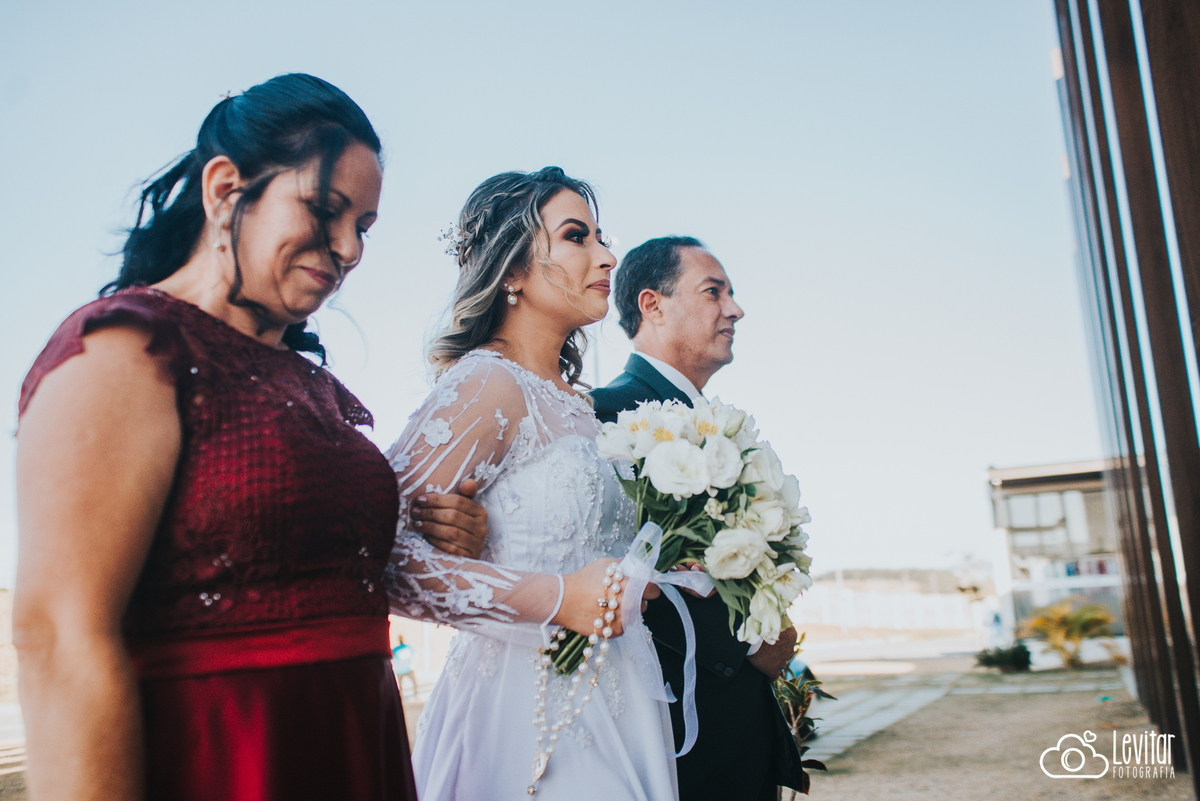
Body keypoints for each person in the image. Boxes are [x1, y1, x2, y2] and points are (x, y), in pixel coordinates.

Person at [13, 73, 488, 801]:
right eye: (326, 209)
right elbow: (61, 638)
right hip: (230, 759)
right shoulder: (126, 348)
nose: (349, 247)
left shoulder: (313, 385)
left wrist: (437, 529)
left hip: (359, 744)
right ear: (226, 188)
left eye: (363, 225)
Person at [384, 167, 675, 800]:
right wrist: (559, 595)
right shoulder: (486, 385)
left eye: (602, 236)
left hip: (618, 697)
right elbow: (380, 557)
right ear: (511, 270)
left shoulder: (576, 405)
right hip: (527, 709)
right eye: (578, 237)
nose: (607, 257)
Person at [591, 236, 806, 801]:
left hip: (738, 726)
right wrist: (743, 651)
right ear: (652, 305)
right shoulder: (608, 417)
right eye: (714, 292)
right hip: (680, 730)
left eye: (731, 294)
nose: (734, 309)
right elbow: (612, 565)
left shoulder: (714, 425)